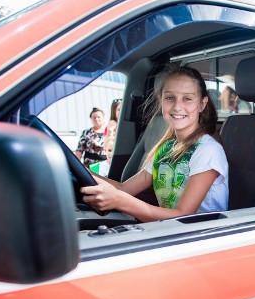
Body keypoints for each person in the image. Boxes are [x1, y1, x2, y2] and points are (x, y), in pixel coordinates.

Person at [81, 66, 229, 222]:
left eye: (187, 98)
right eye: (170, 98)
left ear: (202, 104)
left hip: (201, 234)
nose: (177, 106)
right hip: (167, 229)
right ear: (161, 100)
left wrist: (120, 201)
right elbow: (124, 189)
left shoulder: (208, 150)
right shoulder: (167, 147)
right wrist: (84, 172)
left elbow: (183, 216)